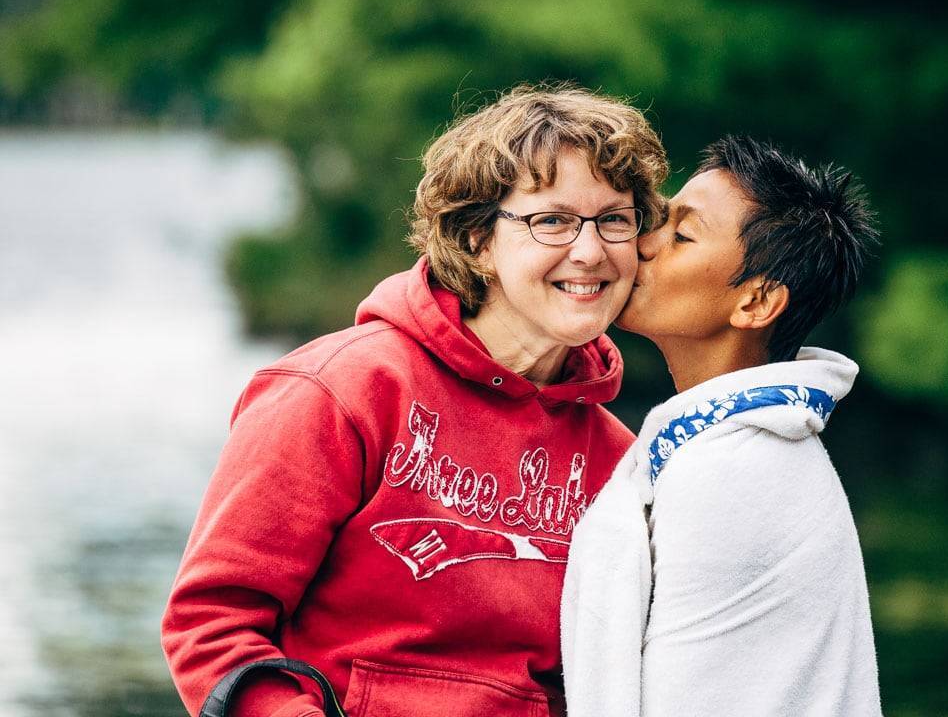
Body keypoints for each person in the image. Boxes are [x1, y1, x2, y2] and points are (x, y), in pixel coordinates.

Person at [161, 83, 668, 717]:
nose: (590, 250)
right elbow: (212, 623)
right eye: (553, 220)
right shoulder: (338, 391)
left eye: (614, 219)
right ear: (477, 239)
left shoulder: (622, 460)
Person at [561, 135, 883, 716]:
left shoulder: (730, 476)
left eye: (681, 235)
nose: (644, 243)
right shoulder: (753, 449)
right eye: (657, 221)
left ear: (756, 301)